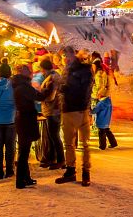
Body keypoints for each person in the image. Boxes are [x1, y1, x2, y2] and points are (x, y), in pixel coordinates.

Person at [56, 46, 94, 187]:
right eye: (63, 56)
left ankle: (86, 171)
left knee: (85, 144)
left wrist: (67, 89)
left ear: (74, 54)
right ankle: (70, 170)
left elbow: (85, 90)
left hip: (80, 110)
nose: (65, 58)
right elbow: (62, 86)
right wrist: (61, 88)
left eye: (67, 55)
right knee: (68, 143)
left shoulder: (85, 69)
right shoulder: (67, 70)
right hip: (67, 109)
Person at [11, 65, 40, 189]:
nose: (32, 74)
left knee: (24, 151)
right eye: (30, 72)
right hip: (26, 120)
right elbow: (39, 96)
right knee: (24, 152)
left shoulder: (17, 85)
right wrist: (50, 88)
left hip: (21, 118)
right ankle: (20, 181)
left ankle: (25, 178)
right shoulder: (24, 87)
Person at [37, 58, 64, 170]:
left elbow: (50, 96)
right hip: (53, 110)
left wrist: (39, 95)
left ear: (43, 69)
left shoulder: (52, 78)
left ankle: (61, 160)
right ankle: (52, 158)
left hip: (53, 110)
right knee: (51, 136)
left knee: (54, 136)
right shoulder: (54, 75)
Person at [91, 60, 117, 149]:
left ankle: (102, 145)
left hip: (101, 121)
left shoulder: (101, 102)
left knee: (101, 132)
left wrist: (90, 111)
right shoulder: (108, 101)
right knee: (107, 130)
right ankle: (113, 143)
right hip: (106, 121)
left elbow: (95, 110)